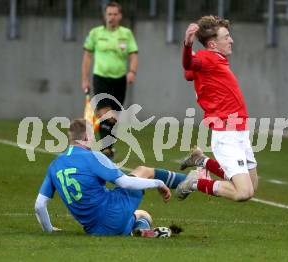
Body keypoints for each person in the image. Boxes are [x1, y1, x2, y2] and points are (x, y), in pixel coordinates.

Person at [34, 119, 187, 237]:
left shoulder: (55, 165)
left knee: (142, 214)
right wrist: (157, 183)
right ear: (86, 136)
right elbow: (125, 183)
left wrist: (49, 230)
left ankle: (141, 231)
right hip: (113, 212)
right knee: (143, 170)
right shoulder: (94, 157)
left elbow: (39, 205)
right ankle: (190, 182)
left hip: (95, 229)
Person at [177, 16, 259, 202]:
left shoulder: (214, 59)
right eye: (226, 37)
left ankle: (201, 160)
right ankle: (196, 182)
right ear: (213, 44)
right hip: (226, 133)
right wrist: (188, 46)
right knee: (243, 193)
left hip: (240, 131)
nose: (231, 40)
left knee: (252, 186)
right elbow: (189, 65)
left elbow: (189, 73)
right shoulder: (207, 57)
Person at [81, 1, 138, 159]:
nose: (111, 17)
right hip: (101, 78)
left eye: (114, 14)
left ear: (119, 16)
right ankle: (106, 149)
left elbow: (133, 54)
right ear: (105, 16)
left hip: (119, 80)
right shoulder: (95, 33)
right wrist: (84, 78)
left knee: (113, 117)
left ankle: (108, 148)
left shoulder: (126, 34)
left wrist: (132, 71)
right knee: (105, 113)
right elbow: (87, 56)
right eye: (109, 14)